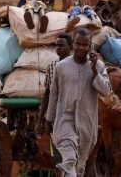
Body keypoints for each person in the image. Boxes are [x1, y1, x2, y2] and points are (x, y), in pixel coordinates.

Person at [46, 28, 111, 177]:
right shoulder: (61, 67)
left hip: (87, 123)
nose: (81, 48)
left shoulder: (99, 66)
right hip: (64, 121)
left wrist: (94, 71)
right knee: (70, 158)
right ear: (72, 45)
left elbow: (106, 91)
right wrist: (49, 120)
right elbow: (53, 95)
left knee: (80, 166)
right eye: (78, 44)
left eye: (85, 45)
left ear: (90, 47)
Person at [35, 33, 72, 136]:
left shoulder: (76, 65)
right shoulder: (52, 66)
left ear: (70, 47)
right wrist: (40, 119)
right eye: (56, 45)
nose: (58, 48)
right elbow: (47, 93)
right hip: (55, 112)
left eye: (61, 45)